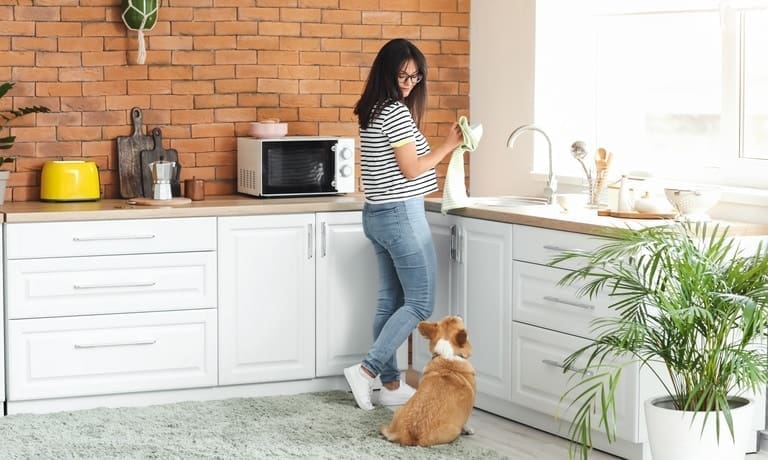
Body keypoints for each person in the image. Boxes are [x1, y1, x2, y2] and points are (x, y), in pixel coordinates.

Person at [344, 38, 464, 410]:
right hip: (400, 215)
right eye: (402, 75)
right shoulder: (395, 112)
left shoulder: (371, 109)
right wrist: (448, 145)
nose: (409, 83)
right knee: (420, 303)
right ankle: (366, 372)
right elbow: (411, 169)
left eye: (415, 76)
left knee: (390, 302)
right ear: (387, 72)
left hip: (376, 214)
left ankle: (392, 384)